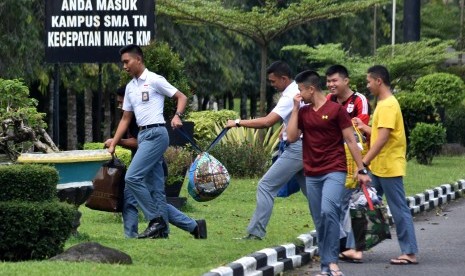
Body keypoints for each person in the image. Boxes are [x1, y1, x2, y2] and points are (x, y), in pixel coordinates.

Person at [107, 44, 202, 239]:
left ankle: (156, 220)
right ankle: (175, 230)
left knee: (132, 178)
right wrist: (114, 143)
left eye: (127, 61)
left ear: (138, 60)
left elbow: (181, 97)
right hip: (143, 136)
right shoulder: (130, 88)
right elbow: (126, 118)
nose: (124, 66)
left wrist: (177, 116)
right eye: (122, 63)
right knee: (157, 191)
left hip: (157, 134)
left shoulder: (154, 80)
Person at [286, 70, 371, 276]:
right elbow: (291, 137)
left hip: (334, 170)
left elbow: (351, 140)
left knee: (328, 212)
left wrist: (361, 169)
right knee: (320, 220)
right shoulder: (304, 112)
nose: (299, 93)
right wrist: (295, 109)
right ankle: (326, 266)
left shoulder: (336, 110)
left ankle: (332, 262)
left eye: (300, 90)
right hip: (312, 173)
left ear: (311, 89)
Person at [225, 60, 306, 240]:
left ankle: (255, 233)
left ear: (284, 79)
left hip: (298, 148)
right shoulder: (296, 91)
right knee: (313, 193)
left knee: (266, 185)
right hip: (306, 146)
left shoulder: (289, 95)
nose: (272, 85)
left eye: (273, 81)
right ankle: (337, 232)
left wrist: (237, 123)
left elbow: (267, 122)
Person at [353, 65, 419, 265]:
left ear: (378, 81)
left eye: (368, 81)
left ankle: (409, 252)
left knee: (398, 209)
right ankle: (355, 250)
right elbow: (380, 133)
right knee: (364, 205)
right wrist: (364, 127)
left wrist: (363, 162)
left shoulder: (389, 104)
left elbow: (382, 140)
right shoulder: (383, 103)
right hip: (380, 167)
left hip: (389, 167)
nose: (367, 85)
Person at [325, 64, 371, 262]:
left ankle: (352, 246)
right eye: (328, 81)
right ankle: (346, 245)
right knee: (340, 201)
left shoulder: (359, 100)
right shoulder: (329, 99)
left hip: (356, 158)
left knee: (350, 201)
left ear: (346, 81)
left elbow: (358, 129)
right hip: (334, 157)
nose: (330, 85)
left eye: (334, 80)